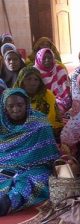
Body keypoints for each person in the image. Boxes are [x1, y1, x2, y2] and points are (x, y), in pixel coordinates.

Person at [0, 88, 60, 216]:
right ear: (4, 107)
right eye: (11, 106)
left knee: (27, 182)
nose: (16, 109)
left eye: (20, 105)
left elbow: (51, 155)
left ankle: (7, 203)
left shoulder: (40, 123)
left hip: (35, 167)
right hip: (5, 167)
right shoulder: (1, 126)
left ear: (26, 104)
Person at [14, 66, 63, 134]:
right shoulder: (14, 98)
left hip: (48, 133)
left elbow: (56, 120)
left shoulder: (47, 95)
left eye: (36, 79)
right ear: (21, 81)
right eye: (28, 79)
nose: (32, 83)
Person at [35, 48, 72, 113]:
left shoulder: (59, 69)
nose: (47, 60)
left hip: (62, 99)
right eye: (44, 58)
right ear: (39, 59)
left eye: (50, 58)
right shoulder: (35, 72)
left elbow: (66, 88)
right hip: (43, 100)